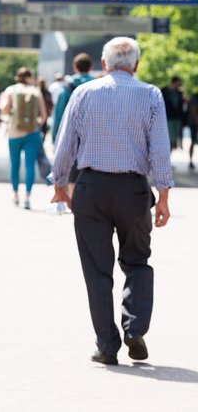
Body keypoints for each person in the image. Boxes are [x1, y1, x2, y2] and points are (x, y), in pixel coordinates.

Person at [51, 37, 173, 366]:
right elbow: (160, 148)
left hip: (91, 188)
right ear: (136, 64)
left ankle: (107, 345)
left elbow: (65, 143)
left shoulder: (84, 93)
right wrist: (164, 195)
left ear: (103, 64)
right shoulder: (150, 94)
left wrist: (59, 184)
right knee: (137, 262)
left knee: (96, 269)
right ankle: (135, 329)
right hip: (133, 190)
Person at [0, 67, 47, 210]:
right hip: (32, 133)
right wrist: (36, 125)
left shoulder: (10, 90)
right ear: (28, 77)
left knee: (14, 165)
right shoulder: (36, 91)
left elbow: (3, 109)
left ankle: (15, 195)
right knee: (29, 165)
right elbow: (43, 115)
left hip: (14, 132)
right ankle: (27, 197)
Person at [51, 53, 95, 196]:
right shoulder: (97, 86)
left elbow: (59, 115)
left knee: (72, 171)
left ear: (75, 67)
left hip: (72, 135)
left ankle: (72, 199)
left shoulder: (66, 87)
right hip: (92, 136)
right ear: (91, 67)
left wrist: (55, 138)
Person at [160, 76, 185, 151]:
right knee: (169, 136)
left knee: (176, 136)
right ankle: (169, 151)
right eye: (178, 83)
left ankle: (175, 146)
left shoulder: (179, 92)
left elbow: (182, 105)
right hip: (168, 117)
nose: (179, 85)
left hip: (177, 117)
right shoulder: (164, 91)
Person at [37, 77, 54, 143]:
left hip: (40, 113)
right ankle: (42, 140)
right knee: (43, 127)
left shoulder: (37, 92)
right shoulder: (39, 92)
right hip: (43, 112)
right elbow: (51, 103)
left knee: (41, 127)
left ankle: (41, 140)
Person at [189, 91, 198, 170]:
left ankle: (191, 160)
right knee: (193, 141)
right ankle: (191, 160)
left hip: (194, 123)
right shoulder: (195, 97)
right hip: (194, 123)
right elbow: (193, 110)